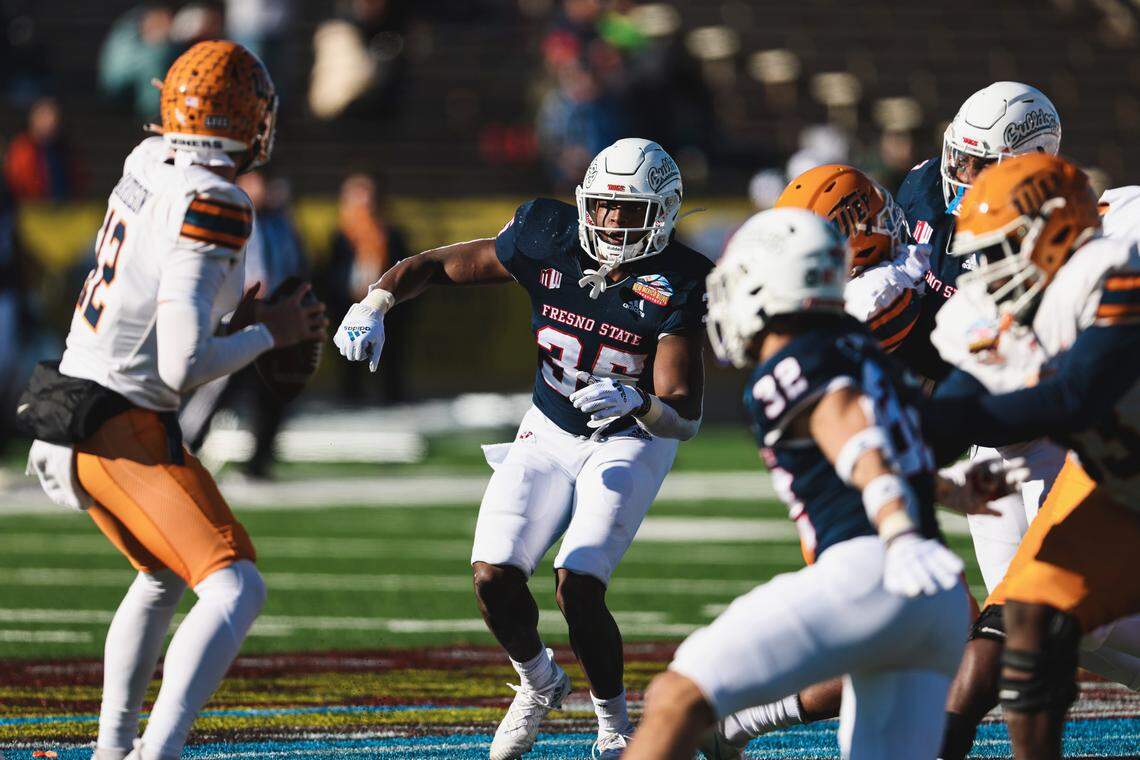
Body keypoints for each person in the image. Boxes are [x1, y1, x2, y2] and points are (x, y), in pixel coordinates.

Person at [334, 138, 710, 758]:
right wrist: (376, 301)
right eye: (604, 207)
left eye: (630, 211)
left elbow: (685, 415)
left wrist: (639, 404)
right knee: (492, 577)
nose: (612, 223)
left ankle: (614, 723)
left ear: (664, 212)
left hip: (632, 437)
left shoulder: (681, 279)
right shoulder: (547, 234)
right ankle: (539, 683)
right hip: (550, 424)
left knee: (578, 583)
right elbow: (439, 264)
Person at [20, 41, 326, 760]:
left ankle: (113, 749)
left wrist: (238, 327)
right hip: (113, 420)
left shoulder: (146, 161)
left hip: (74, 408)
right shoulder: (216, 199)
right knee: (235, 588)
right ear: (248, 120)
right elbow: (182, 361)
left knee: (161, 578)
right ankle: (154, 755)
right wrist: (268, 334)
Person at [624, 208, 1011, 760]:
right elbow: (893, 447)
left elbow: (849, 426)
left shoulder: (794, 359)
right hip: (939, 601)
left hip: (875, 568)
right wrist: (950, 492)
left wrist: (895, 526)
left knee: (676, 695)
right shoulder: (865, 352)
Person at [923, 154, 1140, 759]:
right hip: (1117, 488)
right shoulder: (999, 303)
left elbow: (1076, 396)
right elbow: (961, 403)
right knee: (1029, 623)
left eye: (1004, 248)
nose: (989, 271)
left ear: (1056, 229)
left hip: (1116, 476)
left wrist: (931, 421)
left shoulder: (1115, 268)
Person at [322, 173, 411, 404]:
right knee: (350, 359)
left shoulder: (392, 235)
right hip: (347, 306)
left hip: (387, 309)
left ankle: (391, 396)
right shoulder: (340, 237)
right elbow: (329, 273)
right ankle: (351, 396)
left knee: (390, 359)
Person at [3, 96, 81, 201]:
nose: (50, 121)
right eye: (44, 116)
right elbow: (16, 182)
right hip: (27, 208)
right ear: (33, 119)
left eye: (53, 116)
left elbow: (76, 180)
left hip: (62, 208)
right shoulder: (21, 150)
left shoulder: (64, 149)